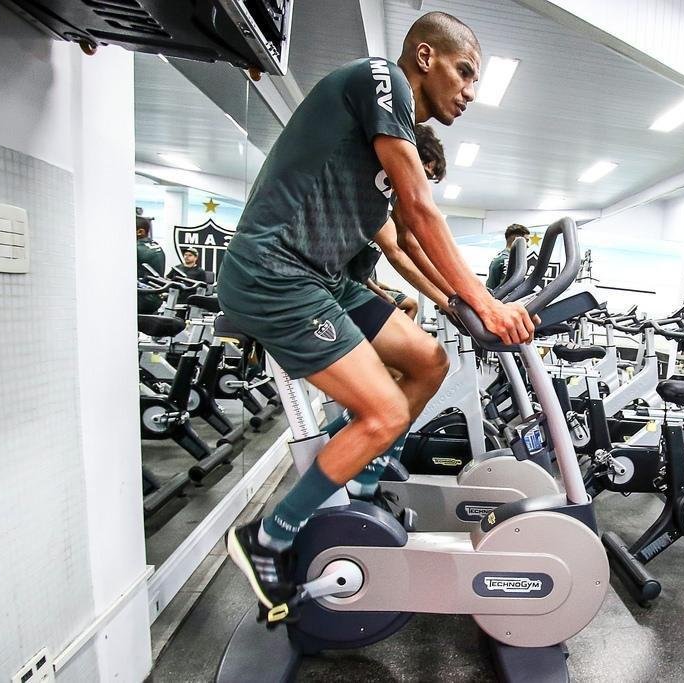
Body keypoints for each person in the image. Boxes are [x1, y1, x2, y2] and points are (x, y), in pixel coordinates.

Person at [216, 12, 535, 619]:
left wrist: (457, 302)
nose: (471, 91)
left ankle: (363, 483)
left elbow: (408, 243)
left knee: (429, 360)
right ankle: (268, 537)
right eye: (465, 72)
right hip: (274, 272)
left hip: (324, 277)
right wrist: (487, 303)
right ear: (425, 58)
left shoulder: (393, 137)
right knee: (384, 410)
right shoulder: (380, 79)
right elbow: (419, 209)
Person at [347, 123, 449, 320]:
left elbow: (409, 242)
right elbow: (396, 252)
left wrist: (453, 295)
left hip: (353, 286)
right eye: (423, 174)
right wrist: (447, 302)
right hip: (331, 287)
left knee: (413, 330)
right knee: (413, 321)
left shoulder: (394, 193)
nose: (420, 183)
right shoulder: (371, 184)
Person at [136, 214, 165, 314]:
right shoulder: (156, 245)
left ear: (140, 232)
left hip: (143, 298)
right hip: (156, 297)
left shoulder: (135, 248)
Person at [485, 223, 530, 289]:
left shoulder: (501, 257)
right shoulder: (508, 260)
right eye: (526, 241)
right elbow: (508, 289)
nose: (528, 245)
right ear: (517, 239)